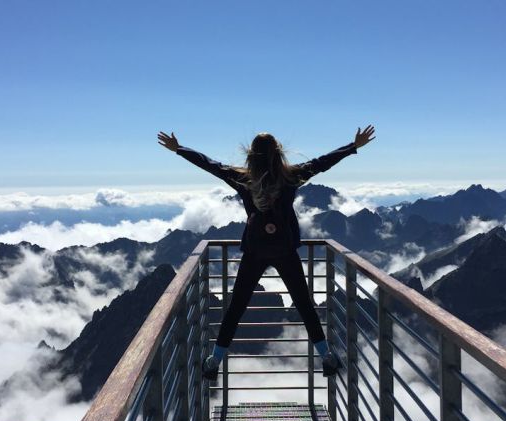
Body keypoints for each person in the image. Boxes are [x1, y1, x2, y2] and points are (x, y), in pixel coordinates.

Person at [157, 125, 376, 381]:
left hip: (255, 250)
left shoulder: (242, 178)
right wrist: (353, 146)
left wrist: (179, 149)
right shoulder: (291, 177)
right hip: (284, 250)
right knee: (304, 304)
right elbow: (322, 163)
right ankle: (326, 355)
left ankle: (214, 360)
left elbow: (210, 165)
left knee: (236, 305)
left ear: (251, 155)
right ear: (278, 153)